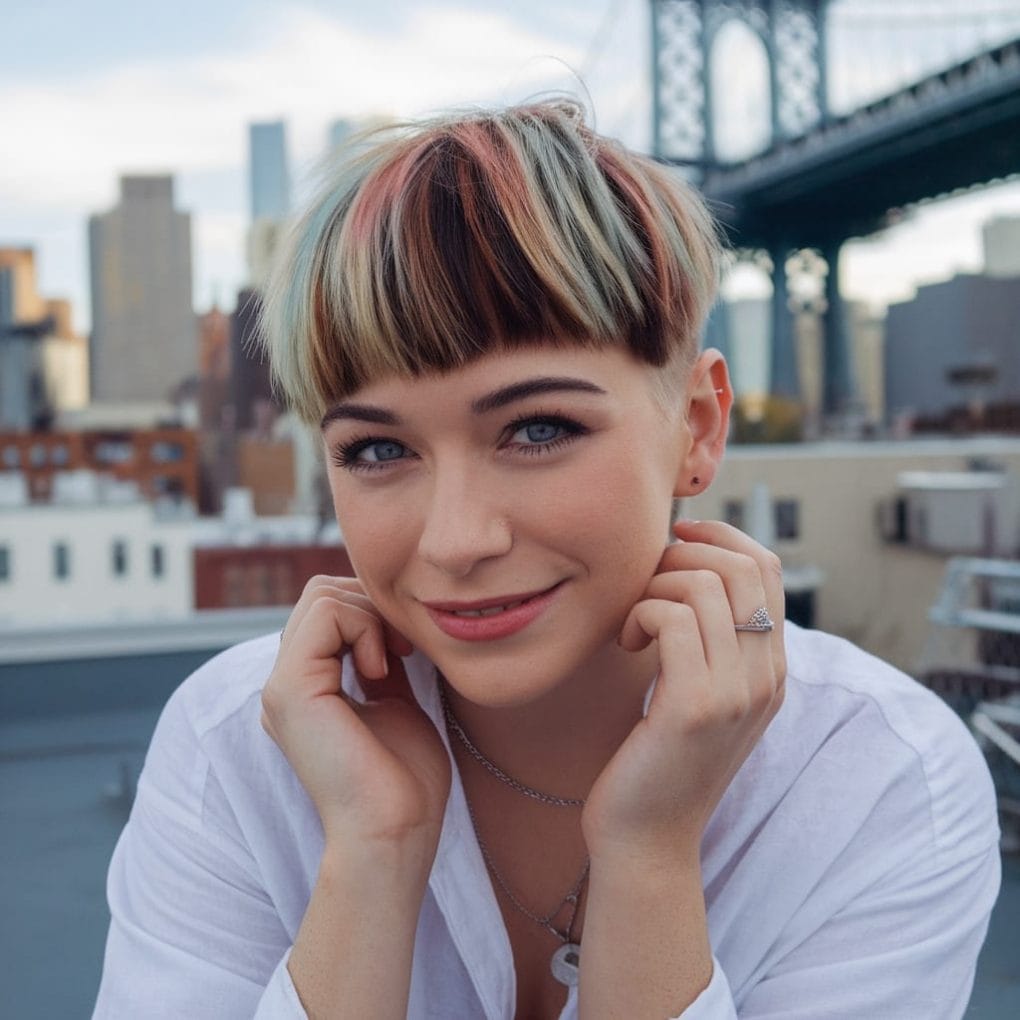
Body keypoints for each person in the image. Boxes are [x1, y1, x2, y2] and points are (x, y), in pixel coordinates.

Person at [93, 100, 1000, 1020]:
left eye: (536, 429)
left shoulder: (880, 777)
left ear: (698, 426)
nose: (455, 541)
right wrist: (375, 849)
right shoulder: (236, 747)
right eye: (377, 450)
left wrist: (647, 853)